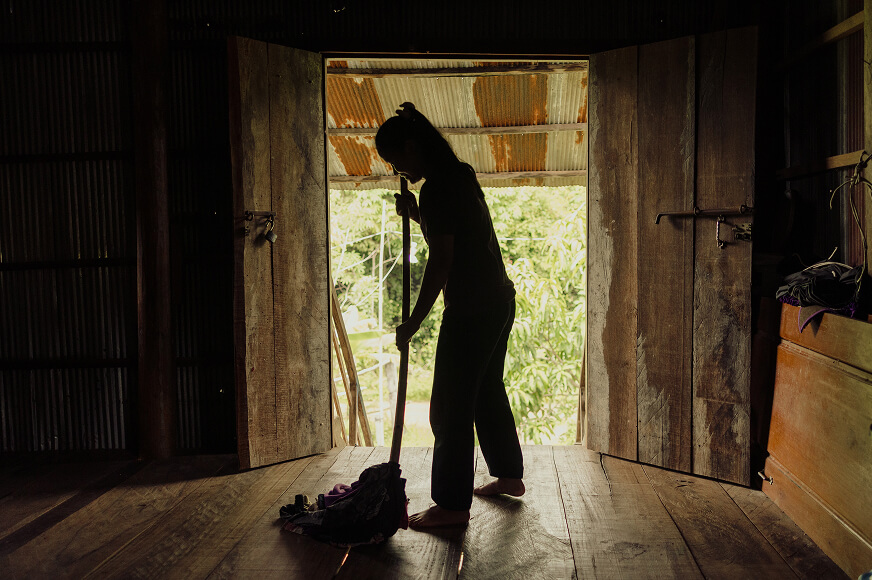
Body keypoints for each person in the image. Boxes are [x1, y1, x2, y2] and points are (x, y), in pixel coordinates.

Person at [375, 102, 525, 528]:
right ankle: (509, 475)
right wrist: (418, 216)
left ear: (410, 146)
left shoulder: (436, 187)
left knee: (448, 408)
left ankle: (452, 506)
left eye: (395, 161)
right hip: (499, 300)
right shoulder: (458, 174)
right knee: (487, 390)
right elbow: (455, 230)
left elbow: (440, 262)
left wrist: (414, 322)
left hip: (473, 310)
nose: (397, 170)